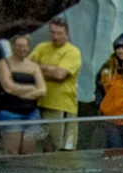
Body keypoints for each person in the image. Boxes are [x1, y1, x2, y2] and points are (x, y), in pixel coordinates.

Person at [29, 17, 82, 152]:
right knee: (46, 147)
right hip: (40, 104)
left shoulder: (72, 52)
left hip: (62, 107)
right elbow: (27, 68)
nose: (55, 36)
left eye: (59, 33)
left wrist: (38, 69)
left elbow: (60, 75)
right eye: (52, 32)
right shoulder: (41, 47)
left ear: (66, 34)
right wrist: (49, 69)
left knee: (61, 149)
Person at [0, 35, 46, 155]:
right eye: (18, 46)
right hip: (10, 113)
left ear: (28, 47)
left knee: (28, 152)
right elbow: (9, 87)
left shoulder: (34, 66)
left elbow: (43, 90)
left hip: (32, 114)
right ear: (13, 46)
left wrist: (20, 91)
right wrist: (31, 88)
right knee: (11, 152)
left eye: (24, 46)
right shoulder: (4, 63)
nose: (21, 49)